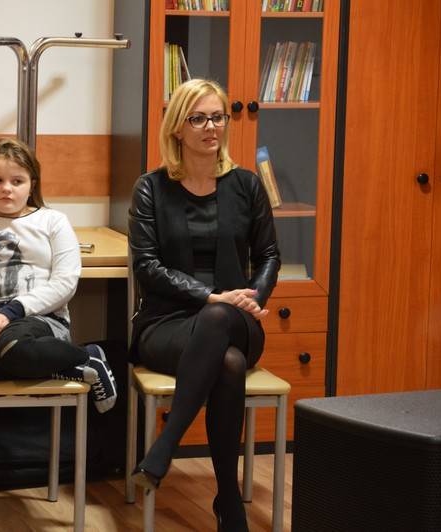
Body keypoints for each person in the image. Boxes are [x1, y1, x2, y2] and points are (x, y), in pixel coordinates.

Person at [128, 79, 280, 531]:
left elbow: (269, 255)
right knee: (228, 363)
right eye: (198, 118)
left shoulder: (246, 185)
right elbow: (147, 267)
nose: (211, 127)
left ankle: (163, 448)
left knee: (219, 322)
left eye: (217, 117)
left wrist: (252, 299)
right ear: (178, 128)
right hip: (167, 323)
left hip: (236, 319)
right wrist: (211, 296)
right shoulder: (151, 188)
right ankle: (229, 500)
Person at [0, 137, 117, 413]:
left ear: (31, 185)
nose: (6, 188)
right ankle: (59, 368)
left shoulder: (53, 221)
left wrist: (12, 311)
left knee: (12, 346)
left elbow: (64, 283)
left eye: (17, 181)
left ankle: (87, 355)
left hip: (41, 320)